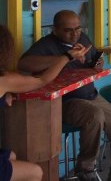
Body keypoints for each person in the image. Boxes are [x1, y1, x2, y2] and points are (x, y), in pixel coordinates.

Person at [17, 10, 111, 181]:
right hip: (66, 101)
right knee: (94, 116)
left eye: (78, 28)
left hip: (91, 95)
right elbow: (24, 64)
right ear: (54, 30)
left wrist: (99, 63)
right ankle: (85, 169)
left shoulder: (83, 38)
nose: (75, 33)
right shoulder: (46, 45)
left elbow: (96, 58)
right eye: (68, 30)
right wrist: (64, 57)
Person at [0, 25, 89, 181]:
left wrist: (6, 93)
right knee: (36, 172)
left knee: (11, 155)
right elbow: (42, 80)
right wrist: (67, 56)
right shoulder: (4, 80)